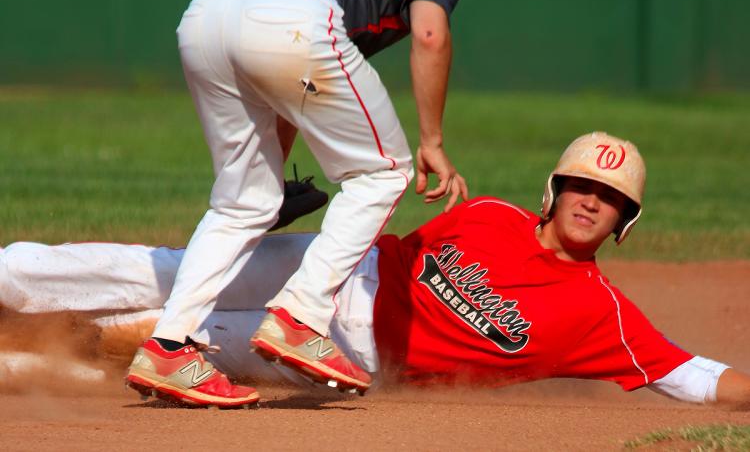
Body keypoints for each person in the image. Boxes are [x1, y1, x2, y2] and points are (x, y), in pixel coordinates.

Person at [2, 133, 748, 409]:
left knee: (159, 342)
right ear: (553, 189)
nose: (593, 200)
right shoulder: (486, 212)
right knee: (163, 271)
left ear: (626, 223)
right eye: (583, 184)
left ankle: (24, 358)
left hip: (349, 353)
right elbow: (385, 239)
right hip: (336, 277)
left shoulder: (602, 316)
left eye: (612, 198)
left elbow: (700, 377)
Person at [138, 0, 469, 407]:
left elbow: (286, 86)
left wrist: (271, 179)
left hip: (209, 8)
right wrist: (431, 140)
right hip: (291, 13)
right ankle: (302, 316)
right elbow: (430, 35)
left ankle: (169, 346)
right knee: (383, 171)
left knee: (243, 202)